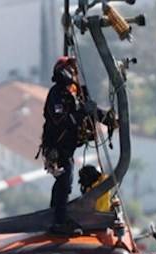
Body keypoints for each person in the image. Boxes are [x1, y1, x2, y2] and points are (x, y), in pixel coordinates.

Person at [39, 57, 115, 235]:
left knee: (65, 182)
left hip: (67, 147)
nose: (75, 74)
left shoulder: (72, 92)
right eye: (71, 71)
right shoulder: (57, 94)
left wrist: (107, 119)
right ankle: (58, 220)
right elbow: (61, 120)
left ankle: (57, 216)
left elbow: (89, 110)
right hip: (58, 147)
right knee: (64, 182)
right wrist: (82, 112)